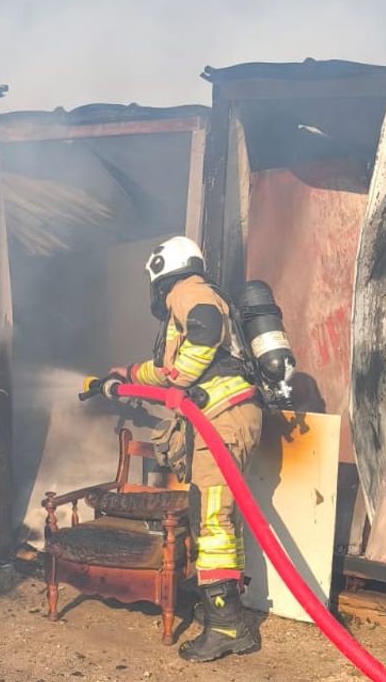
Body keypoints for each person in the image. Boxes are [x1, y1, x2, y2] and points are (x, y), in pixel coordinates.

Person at [105, 235, 263, 662]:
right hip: (227, 419)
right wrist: (128, 374)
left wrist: (180, 380)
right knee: (218, 517)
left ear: (160, 271)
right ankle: (228, 615)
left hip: (223, 420)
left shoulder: (188, 291)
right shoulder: (192, 297)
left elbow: (204, 328)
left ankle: (226, 625)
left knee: (211, 518)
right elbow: (167, 368)